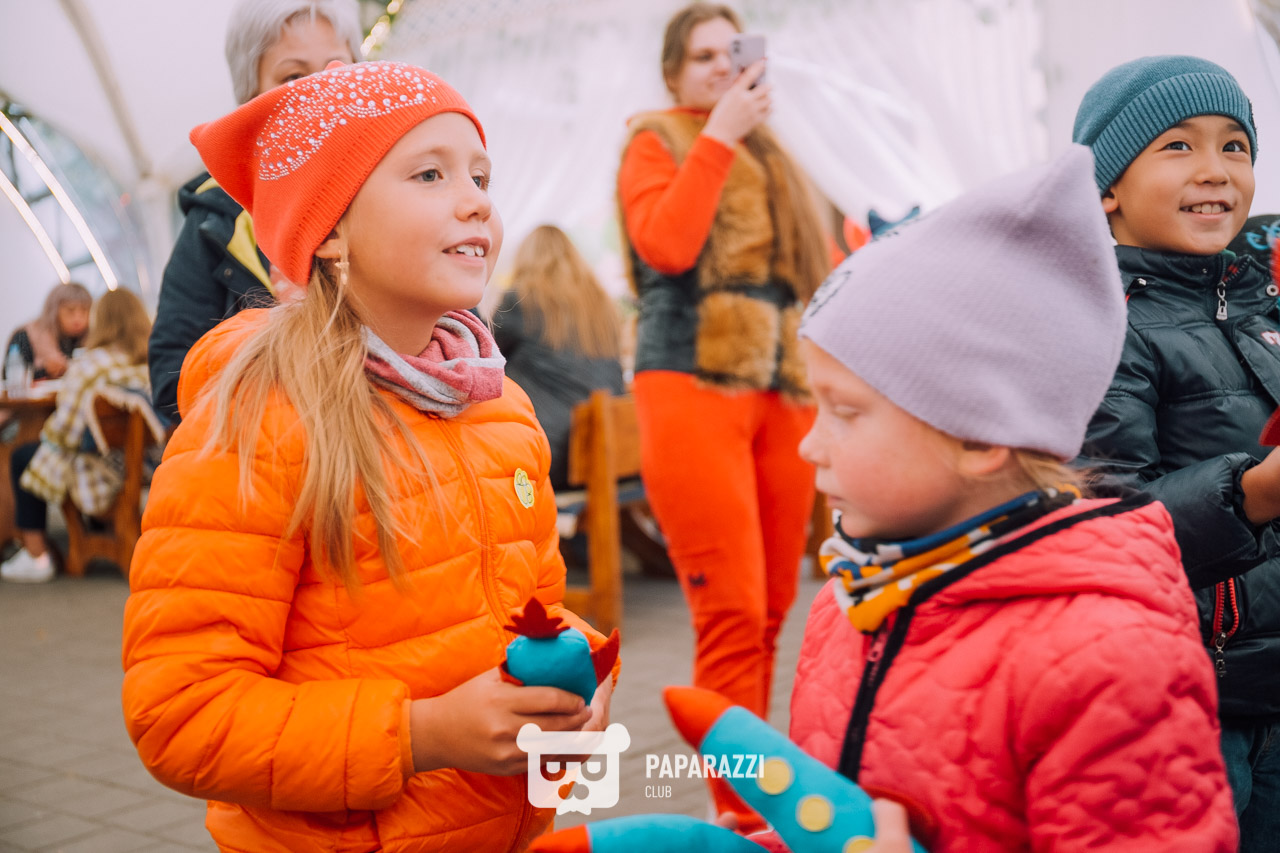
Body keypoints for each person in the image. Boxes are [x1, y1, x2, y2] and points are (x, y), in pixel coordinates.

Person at [121, 61, 617, 852]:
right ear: (330, 230)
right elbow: (180, 713)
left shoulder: (500, 406)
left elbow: (533, 606)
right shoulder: (260, 421)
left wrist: (580, 668)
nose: (476, 200)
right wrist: (422, 734)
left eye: (481, 175)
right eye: (429, 174)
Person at [788, 146, 1236, 851]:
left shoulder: (1108, 660)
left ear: (978, 436)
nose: (808, 445)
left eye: (844, 411)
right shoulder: (849, 600)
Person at [1071, 56, 1280, 849]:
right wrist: (1258, 489)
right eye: (1179, 146)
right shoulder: (1101, 328)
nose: (1216, 169)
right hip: (1189, 703)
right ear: (1108, 188)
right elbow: (1109, 530)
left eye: (1235, 146)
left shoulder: (1263, 305)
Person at [616, 0, 827, 739]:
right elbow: (666, 247)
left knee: (772, 609)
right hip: (690, 378)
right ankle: (737, 794)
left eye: (730, 53)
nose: (719, 67)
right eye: (702, 56)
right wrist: (719, 136)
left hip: (784, 385)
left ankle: (751, 783)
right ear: (673, 72)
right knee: (732, 612)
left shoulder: (777, 154)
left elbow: (815, 269)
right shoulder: (656, 137)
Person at [148, 0, 360, 424]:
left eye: (337, 69)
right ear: (252, 100)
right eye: (293, 76)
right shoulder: (216, 221)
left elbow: (461, 341)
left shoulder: (400, 194)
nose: (320, 90)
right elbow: (172, 379)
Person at [2, 288, 157, 583]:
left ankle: (37, 555)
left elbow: (64, 431)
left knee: (24, 455)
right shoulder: (152, 360)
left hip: (100, 469)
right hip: (145, 466)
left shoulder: (90, 365)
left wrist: (48, 435)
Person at [491, 224, 625, 491]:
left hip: (552, 455)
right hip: (611, 453)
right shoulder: (601, 301)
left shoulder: (521, 301)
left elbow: (487, 358)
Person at [3, 282, 91, 383]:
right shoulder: (25, 335)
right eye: (70, 311)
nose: (78, 319)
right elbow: (8, 378)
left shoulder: (89, 339)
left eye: (84, 311)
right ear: (54, 311)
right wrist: (44, 370)